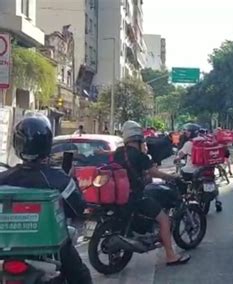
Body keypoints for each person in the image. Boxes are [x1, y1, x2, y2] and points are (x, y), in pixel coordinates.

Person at [0, 115, 92, 284]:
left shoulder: (3, 177)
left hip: (6, 248)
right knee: (82, 277)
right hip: (51, 248)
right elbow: (78, 208)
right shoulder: (58, 179)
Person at [114, 120, 190, 265]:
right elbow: (154, 172)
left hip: (120, 196)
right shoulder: (139, 155)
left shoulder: (118, 152)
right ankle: (170, 255)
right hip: (135, 197)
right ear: (138, 137)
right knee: (164, 219)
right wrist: (171, 176)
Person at [176, 123, 223, 211]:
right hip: (207, 170)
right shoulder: (207, 140)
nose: (186, 133)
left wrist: (177, 158)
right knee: (213, 182)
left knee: (180, 177)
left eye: (187, 132)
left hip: (191, 171)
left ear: (191, 133)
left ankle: (184, 197)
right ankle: (218, 201)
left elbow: (180, 155)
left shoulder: (189, 143)